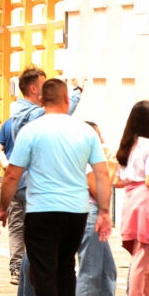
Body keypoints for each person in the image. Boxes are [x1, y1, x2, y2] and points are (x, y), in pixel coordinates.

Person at [0, 79, 111, 296]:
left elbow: (11, 175)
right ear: (67, 99)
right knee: (66, 268)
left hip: (41, 212)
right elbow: (102, 174)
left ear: (41, 100)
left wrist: (2, 208)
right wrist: (104, 211)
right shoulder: (86, 131)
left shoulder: (30, 131)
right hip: (76, 213)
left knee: (44, 271)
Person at [9, 67, 83, 292]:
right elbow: (58, 115)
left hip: (27, 187)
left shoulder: (20, 111)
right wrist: (77, 92)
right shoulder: (31, 114)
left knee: (36, 251)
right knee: (42, 256)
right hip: (35, 191)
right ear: (34, 89)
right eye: (44, 85)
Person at [74, 122, 116, 296]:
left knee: (107, 270)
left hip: (92, 215)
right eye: (99, 136)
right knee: (90, 272)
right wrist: (111, 168)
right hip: (91, 214)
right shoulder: (89, 160)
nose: (103, 140)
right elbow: (100, 192)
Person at [115, 100, 149, 296]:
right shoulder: (148, 145)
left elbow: (118, 181)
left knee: (138, 253)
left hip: (130, 201)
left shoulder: (127, 145)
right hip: (145, 201)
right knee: (143, 257)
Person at [0, 117, 22, 285]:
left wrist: (6, 165)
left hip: (15, 181)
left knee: (16, 227)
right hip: (39, 184)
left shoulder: (11, 122)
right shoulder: (45, 121)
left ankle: (17, 268)